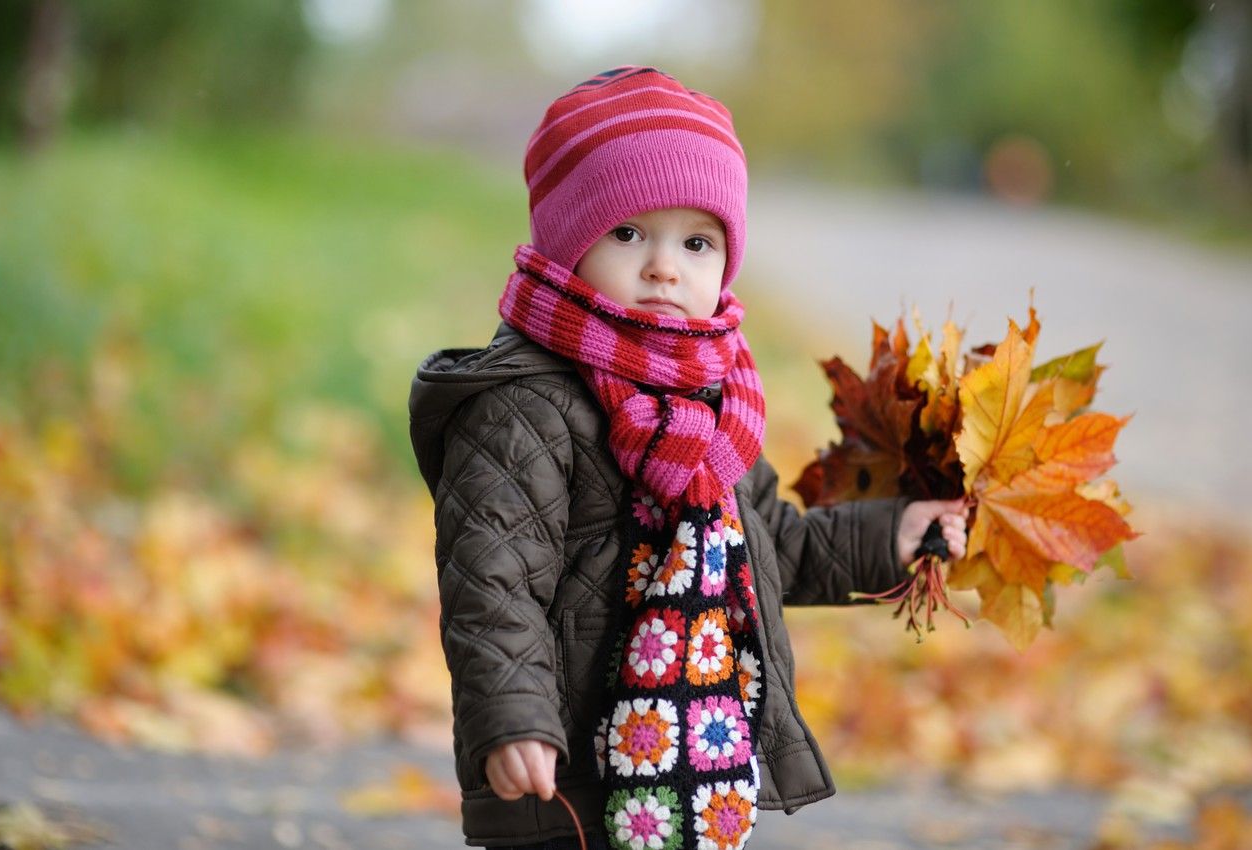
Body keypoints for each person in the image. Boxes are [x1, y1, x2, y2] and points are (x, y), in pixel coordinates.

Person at [407, 66, 969, 850]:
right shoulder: (523, 405)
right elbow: (492, 581)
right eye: (629, 233)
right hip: (566, 766)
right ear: (566, 244)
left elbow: (771, 545)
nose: (665, 266)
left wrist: (892, 536)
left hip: (690, 761)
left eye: (697, 242)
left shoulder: (714, 406)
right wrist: (512, 720)